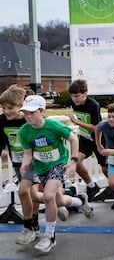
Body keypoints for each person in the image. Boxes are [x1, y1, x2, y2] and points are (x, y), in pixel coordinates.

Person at [18, 95, 94, 253]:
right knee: (58, 200)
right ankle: (79, 201)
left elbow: (73, 139)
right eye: (25, 113)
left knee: (47, 196)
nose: (28, 116)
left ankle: (49, 235)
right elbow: (27, 152)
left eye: (32, 112)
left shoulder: (53, 126)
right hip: (40, 166)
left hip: (59, 163)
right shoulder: (24, 131)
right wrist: (25, 164)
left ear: (42, 111)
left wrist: (73, 161)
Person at [1, 86, 41, 245]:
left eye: (10, 108)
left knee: (23, 191)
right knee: (33, 195)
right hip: (17, 162)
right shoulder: (2, 121)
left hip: (34, 161)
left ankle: (28, 227)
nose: (6, 111)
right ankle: (58, 201)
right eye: (3, 108)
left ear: (20, 107)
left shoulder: (28, 119)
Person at [64, 79, 105, 201]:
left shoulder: (93, 105)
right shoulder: (72, 102)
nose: (74, 99)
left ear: (85, 93)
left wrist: (76, 121)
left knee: (105, 168)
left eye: (77, 96)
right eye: (72, 96)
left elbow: (96, 127)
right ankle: (91, 186)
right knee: (76, 161)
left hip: (98, 139)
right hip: (84, 139)